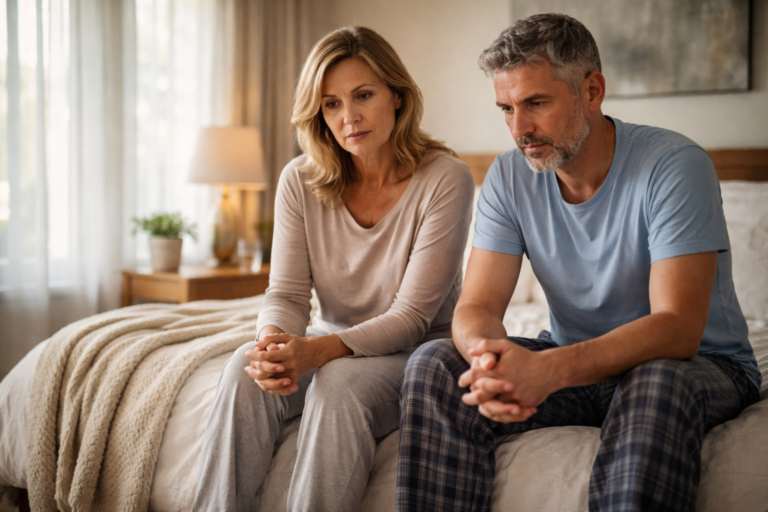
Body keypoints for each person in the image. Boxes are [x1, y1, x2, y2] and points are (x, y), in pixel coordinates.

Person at [397, 13, 761, 512]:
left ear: (592, 90)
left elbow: (678, 328)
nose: (519, 129)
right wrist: (492, 360)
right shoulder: (509, 176)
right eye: (506, 109)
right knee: (434, 364)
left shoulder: (674, 165)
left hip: (698, 367)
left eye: (536, 104)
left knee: (655, 377)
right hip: (576, 369)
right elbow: (477, 303)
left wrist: (549, 369)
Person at [192, 26, 474, 512]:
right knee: (245, 368)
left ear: (398, 97)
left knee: (339, 384)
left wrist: (316, 352)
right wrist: (275, 345)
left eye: (363, 95)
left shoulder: (446, 178)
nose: (350, 117)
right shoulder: (299, 179)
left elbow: (410, 317)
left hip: (420, 352)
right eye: (332, 104)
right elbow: (285, 293)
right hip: (335, 338)